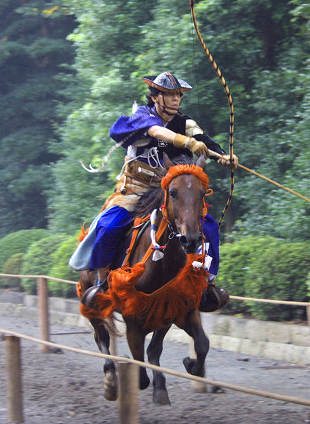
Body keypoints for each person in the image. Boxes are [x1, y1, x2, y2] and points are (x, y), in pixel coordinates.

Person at [69, 72, 238, 312]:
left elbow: (205, 142)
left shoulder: (185, 122)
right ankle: (102, 283)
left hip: (172, 192)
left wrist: (224, 157)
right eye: (169, 94)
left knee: (208, 226)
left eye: (178, 95)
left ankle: (207, 285)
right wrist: (187, 143)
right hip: (137, 189)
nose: (175, 99)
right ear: (156, 97)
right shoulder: (143, 117)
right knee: (109, 226)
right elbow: (158, 133)